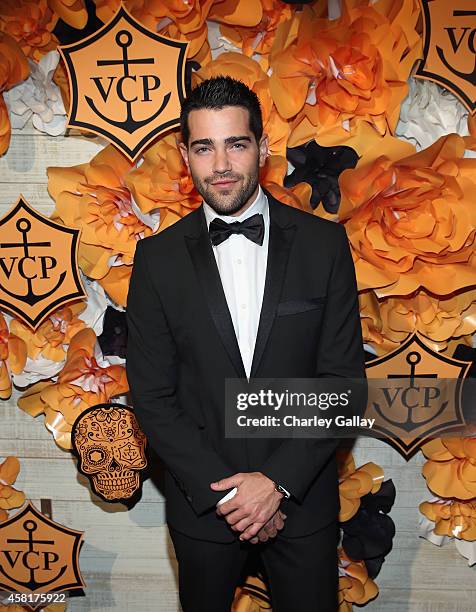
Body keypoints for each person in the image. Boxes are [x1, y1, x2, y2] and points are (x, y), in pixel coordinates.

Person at [126, 76, 366, 612]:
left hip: (302, 506)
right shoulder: (157, 260)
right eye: (204, 147)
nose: (221, 165)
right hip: (203, 509)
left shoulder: (325, 247)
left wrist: (276, 483)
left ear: (262, 146)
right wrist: (234, 497)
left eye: (236, 143)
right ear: (184, 154)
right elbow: (153, 399)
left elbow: (343, 387)